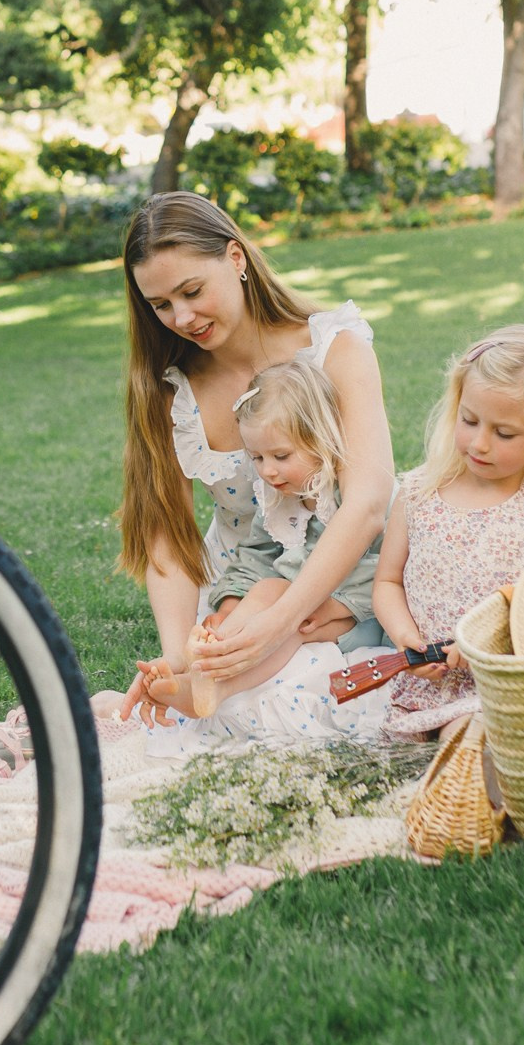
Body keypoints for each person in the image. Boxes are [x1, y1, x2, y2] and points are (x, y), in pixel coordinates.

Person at [113, 191, 394, 722]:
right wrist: (177, 656)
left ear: (236, 258)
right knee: (202, 693)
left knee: (287, 702)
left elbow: (368, 505)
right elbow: (167, 537)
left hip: (341, 577)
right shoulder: (169, 388)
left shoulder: (334, 348)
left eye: (192, 290)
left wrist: (283, 617)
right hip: (242, 583)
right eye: (160, 305)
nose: (182, 317)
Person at [128, 358, 389, 740]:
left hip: (359, 616)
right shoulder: (279, 497)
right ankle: (202, 671)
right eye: (257, 458)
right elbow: (256, 554)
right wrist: (231, 603)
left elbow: (389, 567)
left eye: (281, 456)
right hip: (303, 608)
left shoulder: (351, 494)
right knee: (263, 595)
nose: (267, 471)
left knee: (273, 595)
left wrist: (337, 604)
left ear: (321, 438)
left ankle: (214, 685)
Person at [371, 324, 524, 738]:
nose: (480, 443)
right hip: (423, 687)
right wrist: (406, 639)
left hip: (502, 690)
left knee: (469, 742)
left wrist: (492, 645)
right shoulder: (419, 492)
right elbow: (387, 581)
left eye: (504, 433)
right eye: (469, 420)